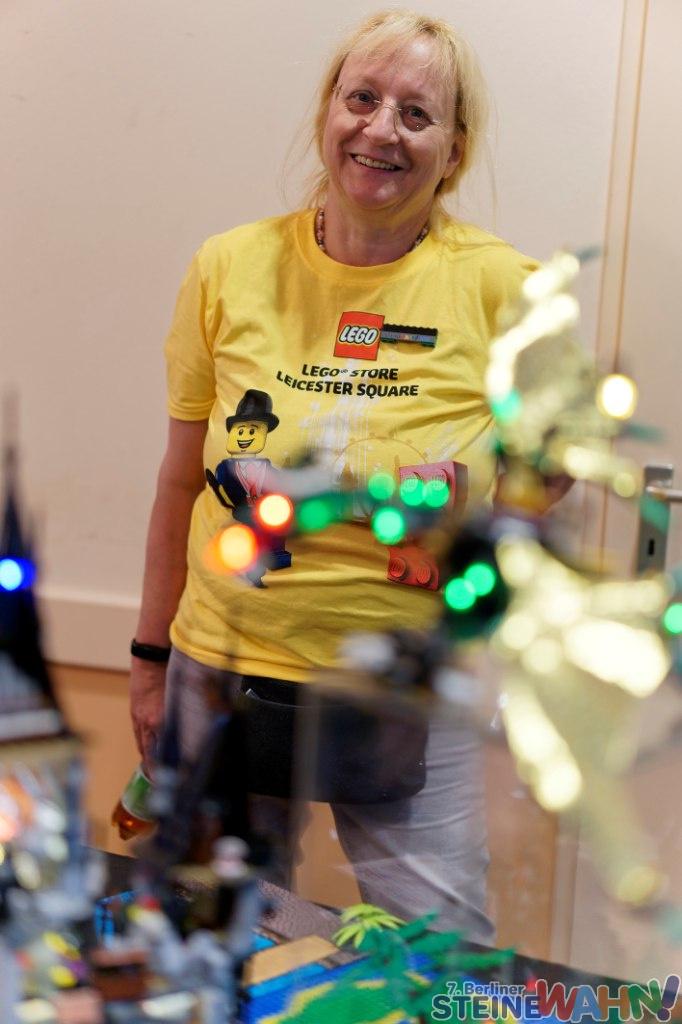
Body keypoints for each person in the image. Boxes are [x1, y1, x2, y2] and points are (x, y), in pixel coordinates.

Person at [129, 9, 538, 944]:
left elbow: (543, 483)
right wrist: (150, 660)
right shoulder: (229, 267)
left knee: (438, 960)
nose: (381, 129)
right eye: (363, 99)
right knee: (211, 943)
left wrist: (476, 493)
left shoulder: (504, 289)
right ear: (327, 112)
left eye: (416, 114)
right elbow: (180, 481)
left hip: (404, 689)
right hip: (220, 670)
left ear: (454, 150)